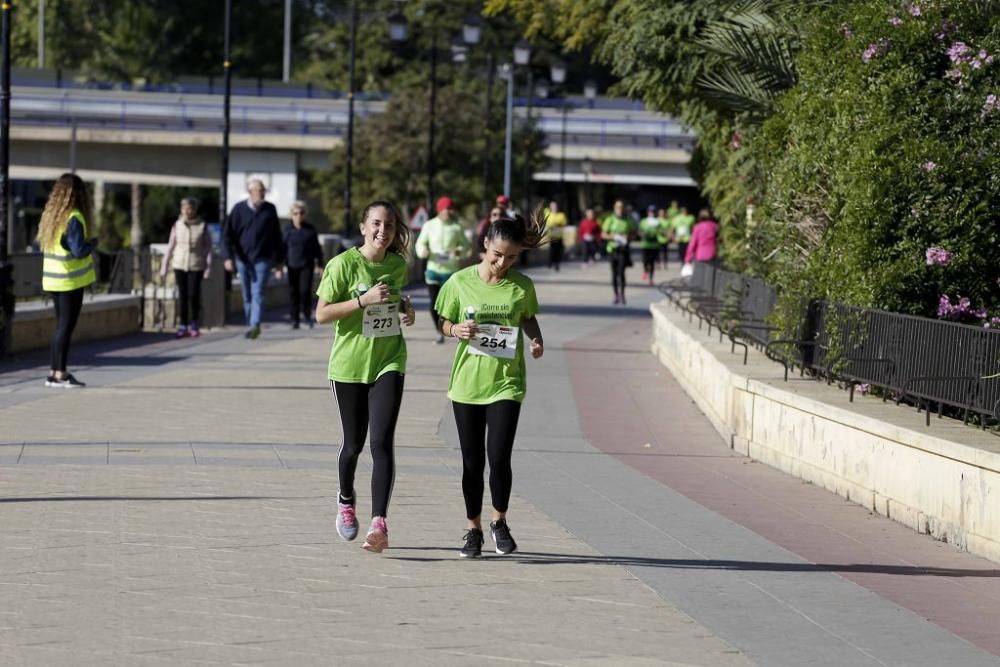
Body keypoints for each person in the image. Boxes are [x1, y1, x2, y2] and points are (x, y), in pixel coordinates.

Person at [435, 210, 546, 558]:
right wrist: (455, 330)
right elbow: (443, 321)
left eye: (511, 257)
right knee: (472, 463)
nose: (502, 263)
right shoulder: (458, 282)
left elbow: (528, 317)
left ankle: (500, 521)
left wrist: (537, 339)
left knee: (498, 457)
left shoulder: (522, 286)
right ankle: (473, 529)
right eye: (497, 255)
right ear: (485, 245)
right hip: (467, 384)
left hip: (506, 383)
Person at [315, 200, 416, 554]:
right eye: (375, 224)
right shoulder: (342, 265)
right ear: (362, 227)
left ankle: (379, 523)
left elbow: (396, 300)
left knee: (382, 443)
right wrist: (363, 301)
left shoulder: (397, 265)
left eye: (389, 226)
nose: (382, 231)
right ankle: (345, 499)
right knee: (354, 445)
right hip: (348, 367)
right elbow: (322, 314)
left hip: (389, 361)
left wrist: (406, 309)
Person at [38, 173, 97, 388]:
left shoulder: (52, 217)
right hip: (69, 281)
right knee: (65, 328)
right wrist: (93, 244)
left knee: (60, 327)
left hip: (53, 280)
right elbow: (79, 250)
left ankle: (53, 373)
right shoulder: (74, 217)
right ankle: (61, 374)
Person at [222, 179, 284, 339]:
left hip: (262, 259)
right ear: (250, 192)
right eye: (259, 190)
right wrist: (228, 257)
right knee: (247, 294)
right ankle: (251, 324)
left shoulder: (270, 210)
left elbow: (277, 236)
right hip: (242, 259)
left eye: (263, 190)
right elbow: (227, 235)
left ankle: (255, 324)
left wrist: (279, 262)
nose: (262, 193)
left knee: (258, 292)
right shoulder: (238, 209)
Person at [414, 196, 470, 344]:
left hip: (451, 272)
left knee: (452, 305)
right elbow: (419, 244)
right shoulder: (429, 225)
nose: (450, 212)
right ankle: (439, 331)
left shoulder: (457, 227)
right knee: (434, 303)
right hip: (433, 270)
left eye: (452, 209)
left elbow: (467, 247)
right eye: (447, 209)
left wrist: (459, 251)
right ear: (440, 210)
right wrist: (423, 251)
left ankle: (454, 329)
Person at [160, 197, 212, 338]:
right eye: (184, 209)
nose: (187, 211)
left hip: (196, 264)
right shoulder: (177, 225)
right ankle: (183, 324)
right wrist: (164, 264)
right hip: (179, 263)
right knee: (182, 295)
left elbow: (208, 247)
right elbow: (171, 245)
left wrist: (208, 266)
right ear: (181, 210)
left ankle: (194, 323)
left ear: (194, 210)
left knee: (193, 294)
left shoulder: (202, 225)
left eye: (190, 208)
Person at [282, 200, 324, 329]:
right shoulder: (287, 230)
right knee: (293, 292)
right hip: (291, 265)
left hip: (307, 265)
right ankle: (294, 319)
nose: (298, 215)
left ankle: (306, 316)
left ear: (304, 214)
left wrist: (321, 264)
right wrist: (279, 265)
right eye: (295, 213)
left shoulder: (310, 230)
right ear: (291, 215)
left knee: (305, 291)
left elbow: (317, 248)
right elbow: (282, 248)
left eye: (301, 213)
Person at [601, 200, 635, 305]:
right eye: (617, 207)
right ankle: (615, 294)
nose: (619, 209)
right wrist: (613, 236)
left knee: (622, 273)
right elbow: (603, 234)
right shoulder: (610, 219)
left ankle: (623, 294)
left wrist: (627, 237)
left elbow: (634, 233)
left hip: (623, 250)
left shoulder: (628, 220)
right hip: (612, 249)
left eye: (621, 207)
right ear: (614, 208)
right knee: (614, 274)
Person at [638, 204, 662, 285]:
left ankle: (651, 279)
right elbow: (639, 231)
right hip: (645, 244)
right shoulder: (643, 221)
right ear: (648, 212)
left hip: (654, 245)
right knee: (645, 261)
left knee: (652, 263)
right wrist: (643, 234)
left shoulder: (658, 222)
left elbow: (661, 232)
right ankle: (645, 271)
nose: (652, 213)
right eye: (650, 211)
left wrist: (657, 233)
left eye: (653, 211)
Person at [544, 200, 568, 272]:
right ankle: (550, 262)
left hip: (558, 234)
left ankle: (557, 264)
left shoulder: (561, 215)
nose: (554, 207)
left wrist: (557, 225)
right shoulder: (548, 213)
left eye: (555, 206)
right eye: (553, 206)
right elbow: (547, 222)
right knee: (552, 250)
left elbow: (564, 224)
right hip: (551, 235)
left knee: (558, 250)